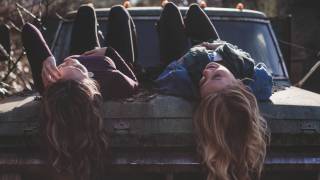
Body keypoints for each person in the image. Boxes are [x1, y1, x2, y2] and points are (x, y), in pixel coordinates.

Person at [22, 4, 138, 180]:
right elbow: (134, 82)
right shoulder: (111, 81)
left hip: (86, 53)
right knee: (119, 12)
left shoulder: (49, 81)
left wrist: (47, 57)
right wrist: (109, 52)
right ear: (88, 81)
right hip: (110, 62)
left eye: (63, 66)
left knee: (85, 11)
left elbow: (28, 29)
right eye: (76, 67)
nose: (70, 61)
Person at [155, 2, 269, 180]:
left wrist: (188, 56)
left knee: (170, 10)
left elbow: (165, 78)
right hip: (218, 48)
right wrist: (218, 48)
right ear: (240, 85)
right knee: (194, 9)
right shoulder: (245, 78)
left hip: (184, 57)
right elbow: (264, 76)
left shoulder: (187, 81)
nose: (207, 71)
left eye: (204, 80)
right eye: (216, 76)